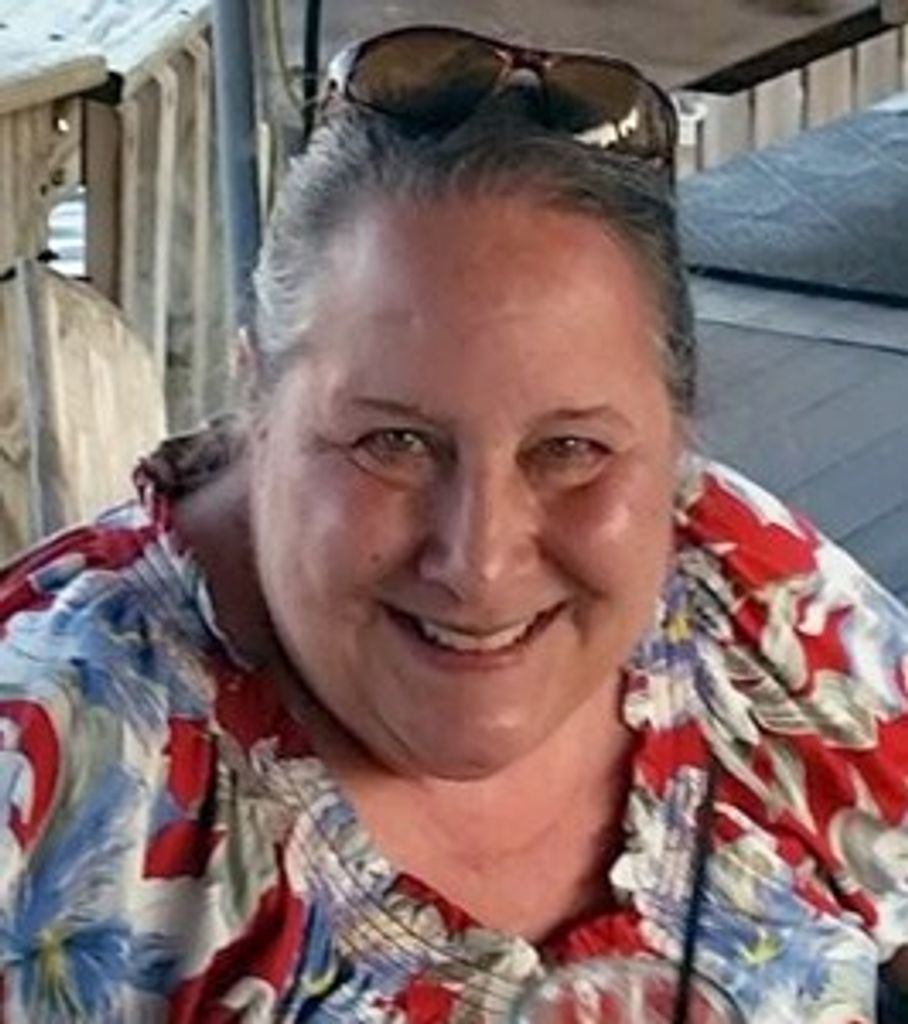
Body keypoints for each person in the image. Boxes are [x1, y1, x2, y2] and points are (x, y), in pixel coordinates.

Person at [1, 24, 907, 1023]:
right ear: (257, 403)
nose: (478, 562)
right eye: (393, 442)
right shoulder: (44, 752)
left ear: (671, 432)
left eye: (570, 448)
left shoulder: (740, 589)